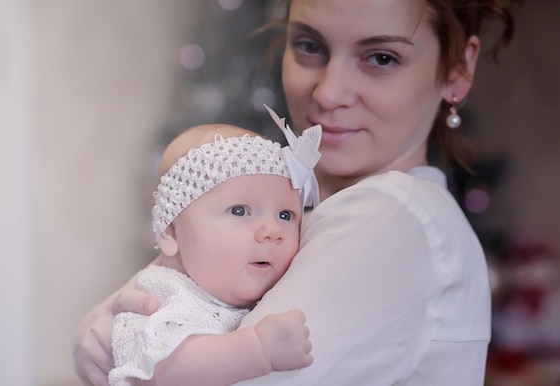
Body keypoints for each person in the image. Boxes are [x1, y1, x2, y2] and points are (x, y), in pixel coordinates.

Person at [74, 0, 521, 384]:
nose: (328, 93)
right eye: (309, 46)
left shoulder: (394, 215)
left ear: (458, 70)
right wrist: (121, 323)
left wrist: (119, 342)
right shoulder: (311, 212)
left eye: (381, 58)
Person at [108, 119, 321, 386]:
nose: (272, 230)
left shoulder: (258, 297)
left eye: (285, 214)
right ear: (172, 234)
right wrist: (257, 349)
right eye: (239, 210)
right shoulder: (162, 294)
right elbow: (162, 369)